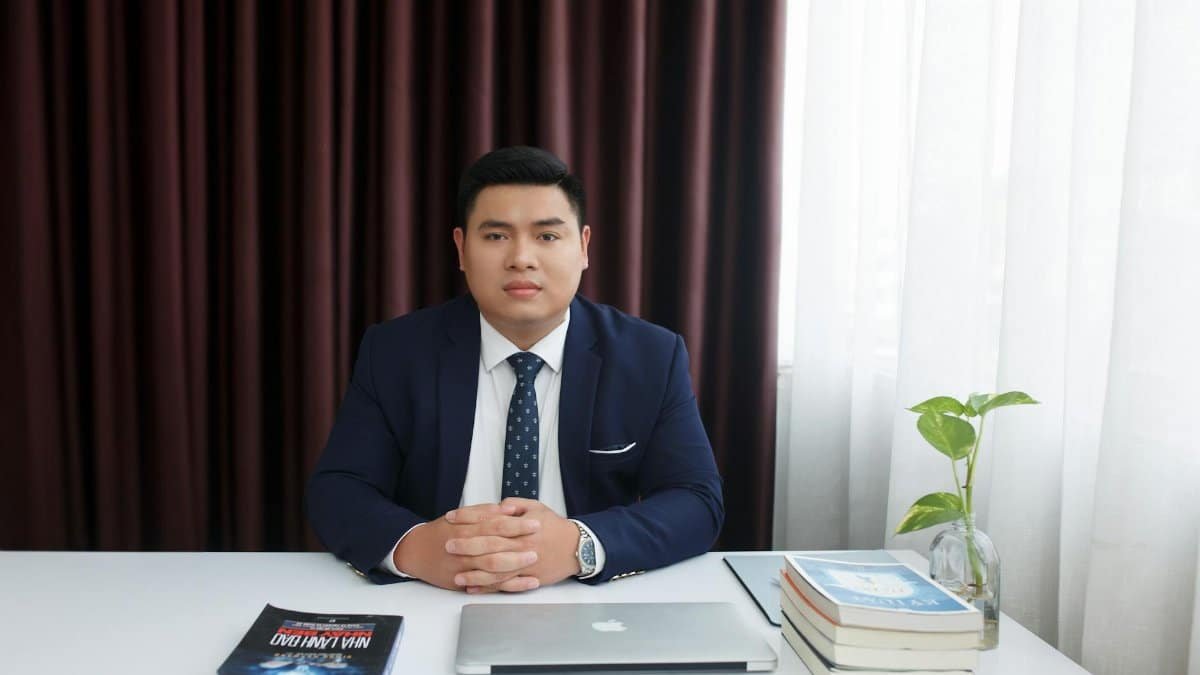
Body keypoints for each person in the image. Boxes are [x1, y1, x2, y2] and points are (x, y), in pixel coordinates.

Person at [306, 146, 724, 592]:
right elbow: (340, 488)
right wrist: (417, 548)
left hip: (585, 598)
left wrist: (579, 546)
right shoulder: (395, 351)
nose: (521, 258)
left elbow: (696, 501)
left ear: (583, 247)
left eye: (546, 236)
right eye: (496, 236)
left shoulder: (650, 356)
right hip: (435, 594)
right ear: (462, 249)